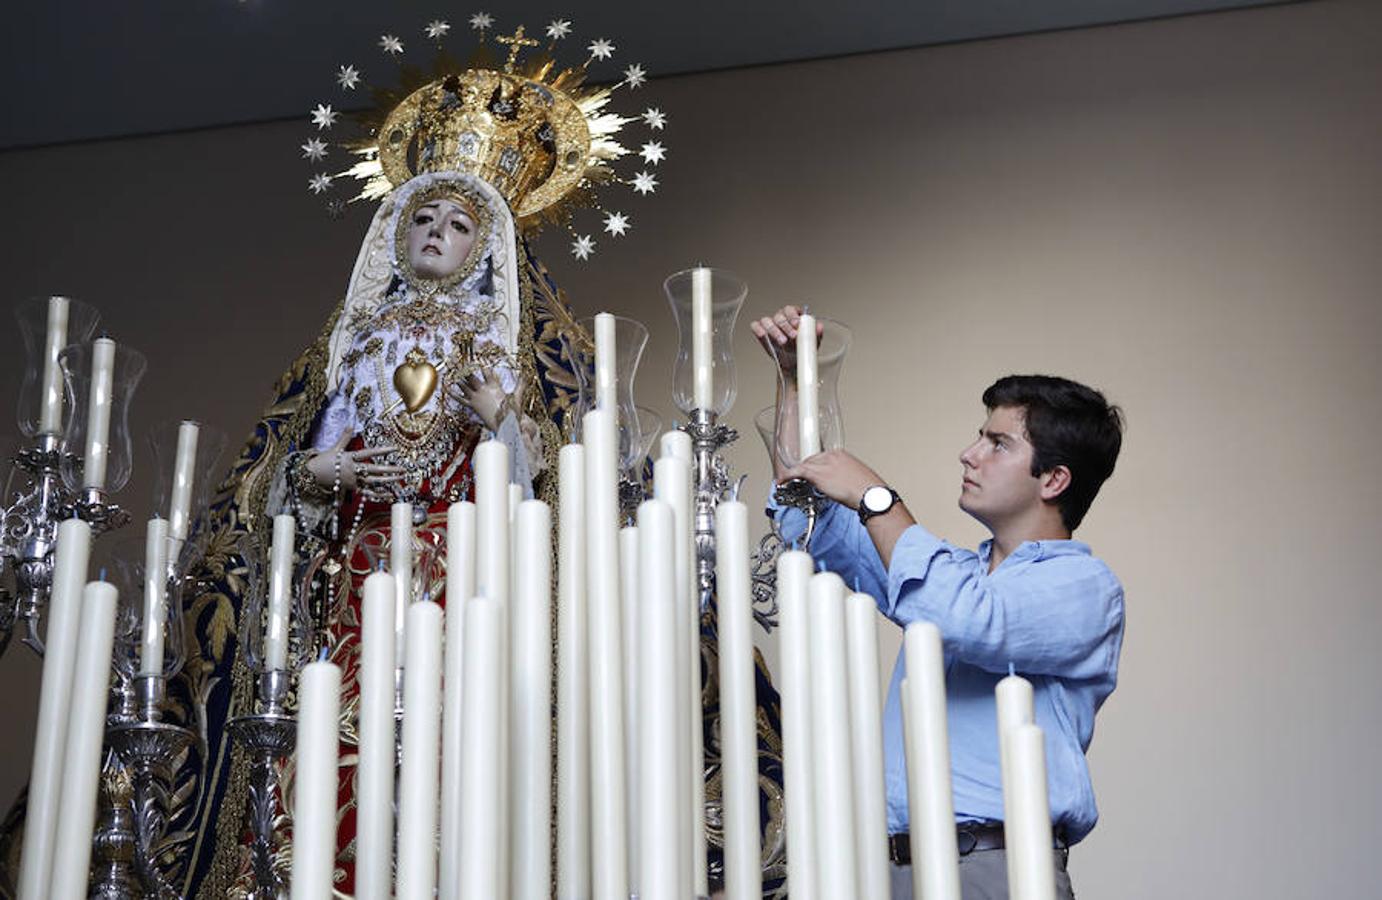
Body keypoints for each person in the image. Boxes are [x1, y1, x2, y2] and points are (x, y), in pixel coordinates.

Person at [751, 305, 1126, 900]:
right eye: (980, 435)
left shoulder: (1085, 588)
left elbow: (973, 620)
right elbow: (810, 511)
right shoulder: (943, 574)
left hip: (997, 870)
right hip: (890, 871)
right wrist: (798, 381)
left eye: (997, 443)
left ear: (1053, 480)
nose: (969, 453)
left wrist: (876, 497)